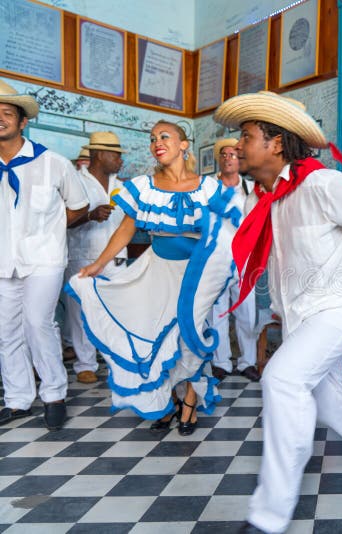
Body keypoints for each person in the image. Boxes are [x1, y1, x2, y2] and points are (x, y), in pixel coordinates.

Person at [212, 91, 342, 534]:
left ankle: (269, 515)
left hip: (340, 305)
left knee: (282, 378)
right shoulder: (272, 198)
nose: (237, 147)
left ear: (276, 142)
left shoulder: (322, 184)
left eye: (246, 137)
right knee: (326, 401)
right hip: (304, 314)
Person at [66, 120, 240, 436]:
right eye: (152, 138)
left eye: (164, 136)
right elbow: (125, 228)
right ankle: (168, 400)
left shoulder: (211, 188)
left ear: (184, 144)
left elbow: (227, 234)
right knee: (159, 339)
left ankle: (189, 402)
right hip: (156, 271)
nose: (156, 142)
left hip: (195, 277)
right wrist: (99, 265)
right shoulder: (145, 187)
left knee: (191, 338)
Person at [0, 80, 89, 431]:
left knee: (39, 323)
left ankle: (53, 394)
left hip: (45, 260)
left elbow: (79, 207)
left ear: (23, 122)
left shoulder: (52, 163)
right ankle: (18, 399)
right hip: (3, 261)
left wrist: (51, 231)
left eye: (7, 113)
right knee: (7, 332)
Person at [64, 132, 128, 384]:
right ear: (99, 155)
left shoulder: (121, 186)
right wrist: (89, 216)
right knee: (80, 314)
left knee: (116, 313)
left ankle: (117, 362)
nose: (120, 160)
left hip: (117, 260)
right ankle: (85, 364)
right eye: (116, 155)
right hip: (82, 257)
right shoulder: (74, 181)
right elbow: (58, 222)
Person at [208, 138, 260, 383]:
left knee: (247, 314)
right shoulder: (208, 188)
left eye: (233, 154)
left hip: (244, 260)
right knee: (217, 313)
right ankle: (221, 363)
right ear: (219, 160)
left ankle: (247, 362)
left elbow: (260, 223)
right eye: (224, 154)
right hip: (216, 260)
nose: (228, 158)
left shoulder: (251, 189)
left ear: (240, 160)